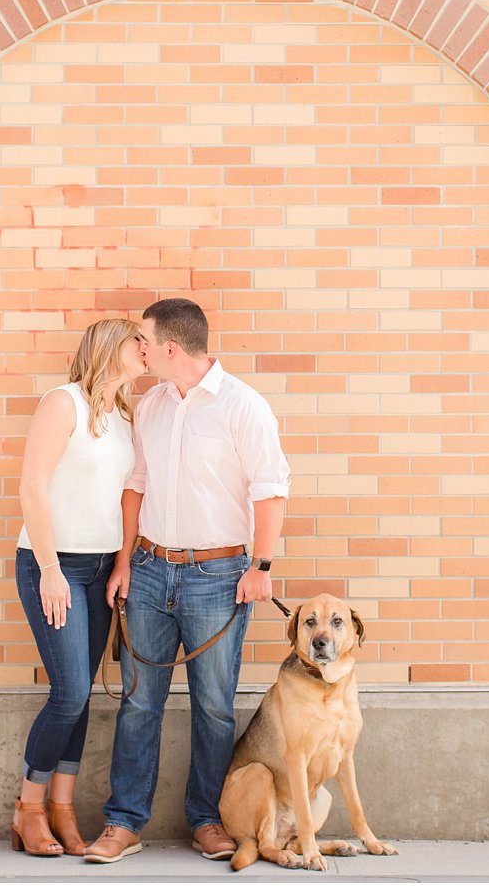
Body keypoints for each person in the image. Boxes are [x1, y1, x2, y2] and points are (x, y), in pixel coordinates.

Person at [84, 298, 291, 864]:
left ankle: (207, 818)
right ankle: (123, 822)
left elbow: (270, 488)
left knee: (215, 705)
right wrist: (125, 560)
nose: (141, 350)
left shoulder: (242, 406)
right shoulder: (150, 404)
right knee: (137, 701)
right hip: (149, 571)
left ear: (170, 349)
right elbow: (137, 483)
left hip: (219, 577)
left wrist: (261, 567)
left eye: (145, 342)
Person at [10, 318, 147, 858]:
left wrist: (121, 565)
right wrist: (48, 569)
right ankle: (28, 810)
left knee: (83, 695)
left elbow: (121, 498)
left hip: (99, 569)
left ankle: (63, 809)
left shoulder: (122, 416)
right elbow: (31, 488)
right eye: (137, 341)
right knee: (68, 695)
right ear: (110, 347)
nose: (146, 350)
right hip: (54, 564)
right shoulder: (61, 403)